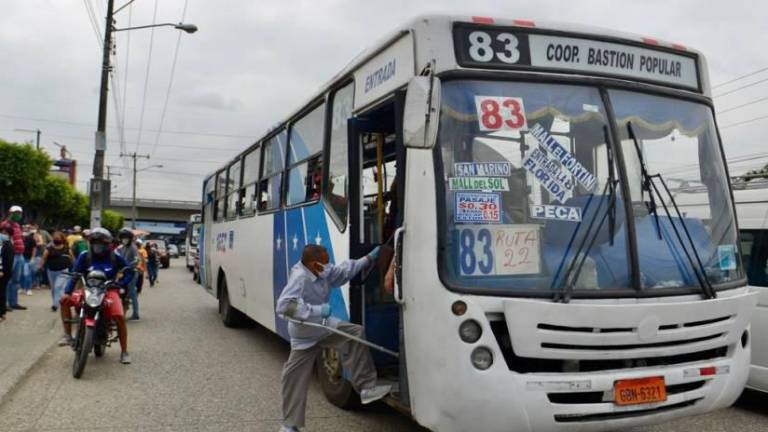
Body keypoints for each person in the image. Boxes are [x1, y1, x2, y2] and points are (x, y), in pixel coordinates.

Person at [275, 244, 390, 432]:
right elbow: (283, 307)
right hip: (305, 333)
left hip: (324, 325)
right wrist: (318, 310)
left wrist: (369, 258)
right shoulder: (299, 278)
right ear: (313, 264)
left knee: (354, 333)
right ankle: (289, 426)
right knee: (293, 378)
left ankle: (366, 388)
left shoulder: (321, 269)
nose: (328, 266)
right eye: (324, 262)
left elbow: (343, 271)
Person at [60, 228, 133, 364]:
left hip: (109, 290)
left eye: (101, 243)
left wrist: (120, 284)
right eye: (95, 243)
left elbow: (129, 271)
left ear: (108, 244)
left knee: (119, 316)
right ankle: (67, 335)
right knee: (64, 301)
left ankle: (124, 351)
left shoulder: (115, 257)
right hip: (87, 288)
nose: (98, 246)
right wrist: (67, 292)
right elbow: (75, 275)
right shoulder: (84, 256)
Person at [38, 231, 73, 312]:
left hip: (63, 271)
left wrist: (73, 269)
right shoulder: (49, 249)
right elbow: (44, 258)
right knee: (54, 289)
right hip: (51, 271)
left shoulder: (67, 248)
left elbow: (72, 259)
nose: (56, 239)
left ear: (62, 239)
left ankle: (55, 305)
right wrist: (40, 267)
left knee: (58, 287)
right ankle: (56, 301)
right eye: (55, 238)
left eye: (58, 238)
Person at [1, 206, 27, 311]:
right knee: (7, 279)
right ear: (10, 213)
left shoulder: (17, 225)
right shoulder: (4, 225)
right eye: (16, 212)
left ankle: (14, 302)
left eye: (20, 213)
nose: (19, 215)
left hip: (20, 254)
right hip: (11, 255)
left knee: (16, 280)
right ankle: (4, 304)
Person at [115, 228, 141, 321]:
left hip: (132, 272)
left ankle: (136, 313)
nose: (124, 239)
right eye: (123, 238)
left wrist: (129, 266)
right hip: (122, 273)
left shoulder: (133, 248)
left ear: (130, 238)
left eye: (126, 238)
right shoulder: (121, 248)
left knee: (131, 292)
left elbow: (137, 259)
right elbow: (116, 257)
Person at [0, 225, 15, 322]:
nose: (2, 234)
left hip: (3, 272)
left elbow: (8, 262)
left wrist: (2, 271)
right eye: (2, 232)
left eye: (5, 233)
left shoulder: (8, 245)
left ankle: (1, 313)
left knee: (1, 292)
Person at [22, 226, 38, 295]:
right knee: (22, 274)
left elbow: (34, 249)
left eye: (26, 230)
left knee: (27, 274)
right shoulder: (20, 239)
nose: (25, 231)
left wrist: (32, 258)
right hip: (21, 258)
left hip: (28, 258)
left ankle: (28, 289)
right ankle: (23, 288)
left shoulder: (31, 239)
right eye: (24, 229)